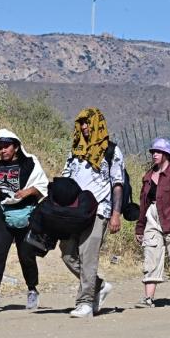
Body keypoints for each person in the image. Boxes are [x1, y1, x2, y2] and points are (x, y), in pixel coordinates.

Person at [0, 129, 48, 309]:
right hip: (3, 211)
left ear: (16, 147)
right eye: (0, 147)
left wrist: (27, 192)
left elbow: (42, 184)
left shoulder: (30, 163)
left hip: (26, 212)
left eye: (6, 147)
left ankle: (32, 289)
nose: (3, 150)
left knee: (25, 254)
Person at [59, 107, 124, 317]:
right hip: (74, 210)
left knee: (88, 256)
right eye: (82, 123)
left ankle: (85, 303)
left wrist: (115, 213)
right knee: (68, 253)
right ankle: (99, 285)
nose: (85, 127)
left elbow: (117, 184)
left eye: (89, 123)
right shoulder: (74, 151)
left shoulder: (111, 151)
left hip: (99, 210)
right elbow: (66, 178)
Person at [134, 138, 170, 308]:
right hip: (152, 217)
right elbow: (144, 203)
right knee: (150, 256)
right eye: (153, 152)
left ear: (167, 154)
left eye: (158, 152)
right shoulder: (149, 175)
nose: (154, 155)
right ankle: (148, 298)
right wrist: (140, 226)